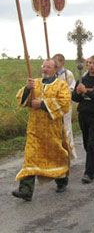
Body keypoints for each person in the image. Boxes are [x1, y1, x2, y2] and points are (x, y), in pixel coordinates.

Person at [12, 59, 71, 201]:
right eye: (43, 66)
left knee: (55, 155)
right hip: (34, 129)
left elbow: (64, 103)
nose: (44, 69)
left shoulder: (60, 85)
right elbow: (22, 100)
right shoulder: (35, 83)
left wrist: (43, 104)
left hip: (52, 130)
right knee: (30, 157)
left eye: (48, 67)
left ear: (55, 69)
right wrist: (27, 88)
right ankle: (25, 191)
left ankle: (61, 180)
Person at [72, 55, 94, 184]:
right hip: (84, 114)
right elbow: (75, 98)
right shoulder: (82, 79)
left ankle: (89, 173)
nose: (91, 65)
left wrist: (86, 91)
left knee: (93, 143)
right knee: (87, 144)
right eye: (89, 63)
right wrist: (78, 92)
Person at [52, 53, 77, 159]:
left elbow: (72, 87)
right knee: (54, 128)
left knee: (66, 128)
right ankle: (56, 153)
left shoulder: (68, 74)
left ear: (62, 63)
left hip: (65, 105)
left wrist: (62, 93)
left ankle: (69, 153)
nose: (55, 64)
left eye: (57, 61)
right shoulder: (51, 74)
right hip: (53, 105)